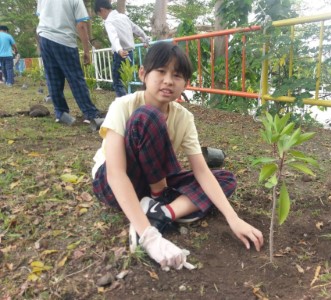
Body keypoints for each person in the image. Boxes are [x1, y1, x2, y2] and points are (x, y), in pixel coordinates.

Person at [92, 42, 264, 271]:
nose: (168, 81)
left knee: (225, 180)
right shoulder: (123, 106)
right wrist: (149, 237)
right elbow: (115, 173)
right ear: (143, 73)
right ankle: (155, 204)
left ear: (185, 83)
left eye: (177, 75)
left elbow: (202, 171)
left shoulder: (184, 117)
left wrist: (233, 219)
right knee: (147, 117)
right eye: (161, 72)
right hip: (115, 183)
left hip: (156, 183)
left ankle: (161, 212)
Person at [36, 0, 102, 125]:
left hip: (45, 38)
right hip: (64, 40)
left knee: (53, 78)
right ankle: (90, 114)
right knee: (75, 78)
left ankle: (61, 113)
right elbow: (81, 25)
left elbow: (42, 16)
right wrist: (86, 51)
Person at [94, 0, 151, 97]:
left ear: (102, 10)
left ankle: (124, 105)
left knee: (117, 82)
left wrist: (119, 49)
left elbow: (113, 37)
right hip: (130, 53)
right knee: (126, 80)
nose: (101, 17)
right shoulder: (123, 17)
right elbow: (136, 28)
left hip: (121, 54)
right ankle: (128, 102)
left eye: (99, 14)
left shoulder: (109, 21)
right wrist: (145, 39)